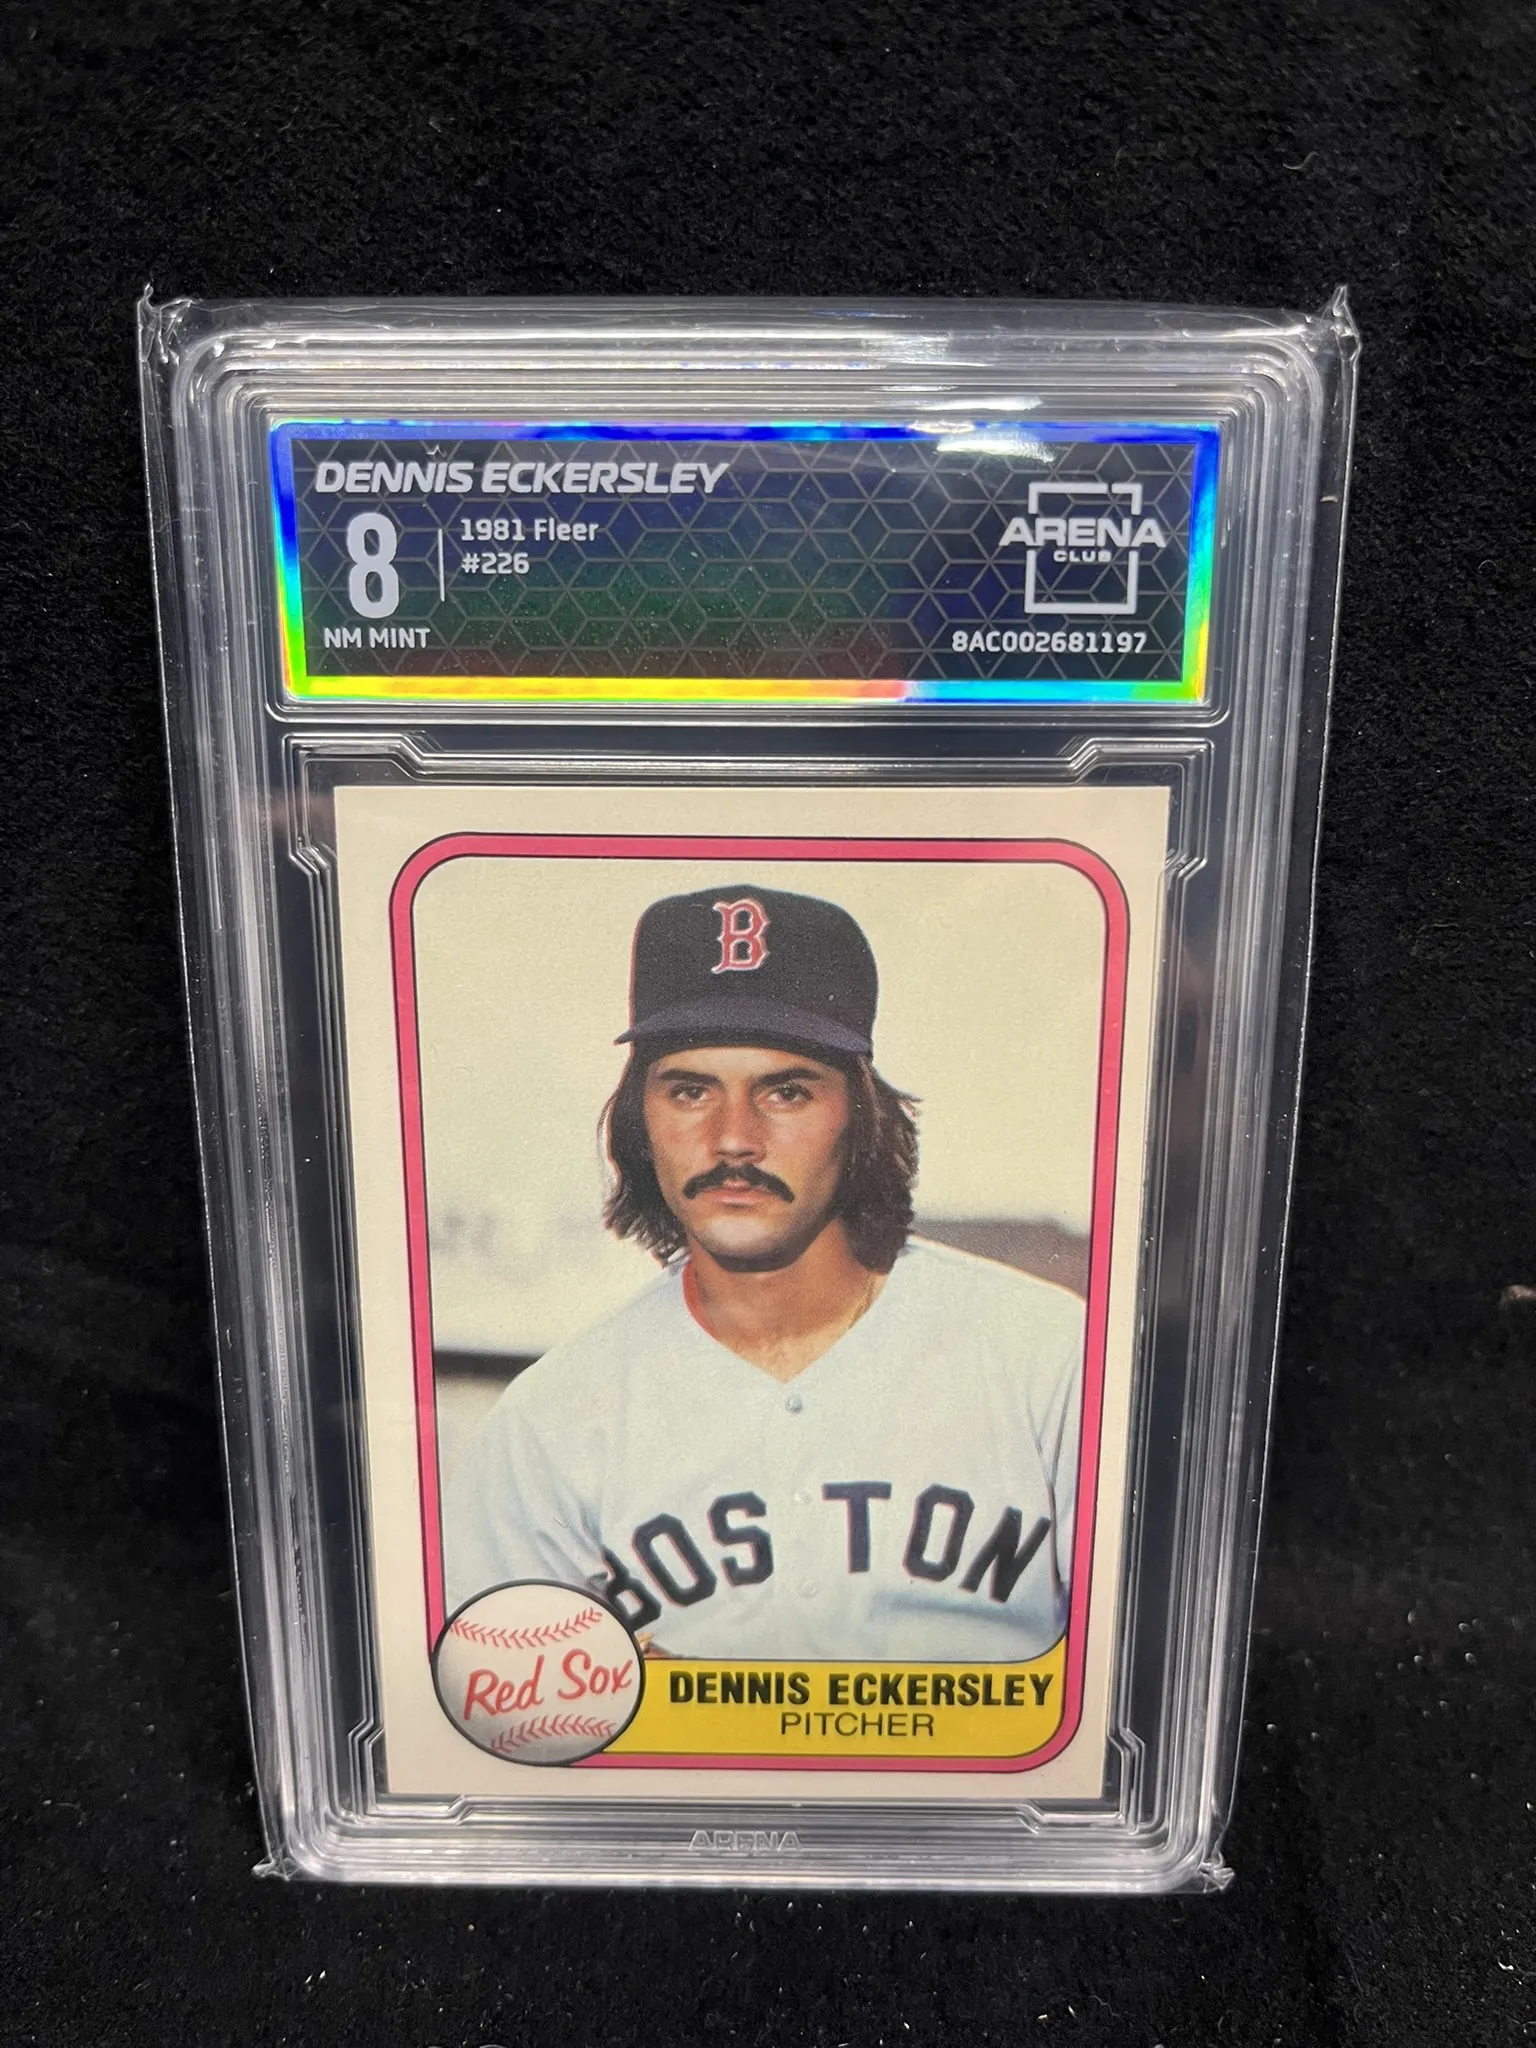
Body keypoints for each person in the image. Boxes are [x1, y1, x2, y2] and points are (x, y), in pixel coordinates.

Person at [449, 884, 1085, 1660]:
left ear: (862, 1116)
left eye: (786, 1091)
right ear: (640, 1122)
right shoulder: (549, 1421)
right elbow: (495, 1709)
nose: (733, 1139)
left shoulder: (1051, 1361)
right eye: (690, 1091)